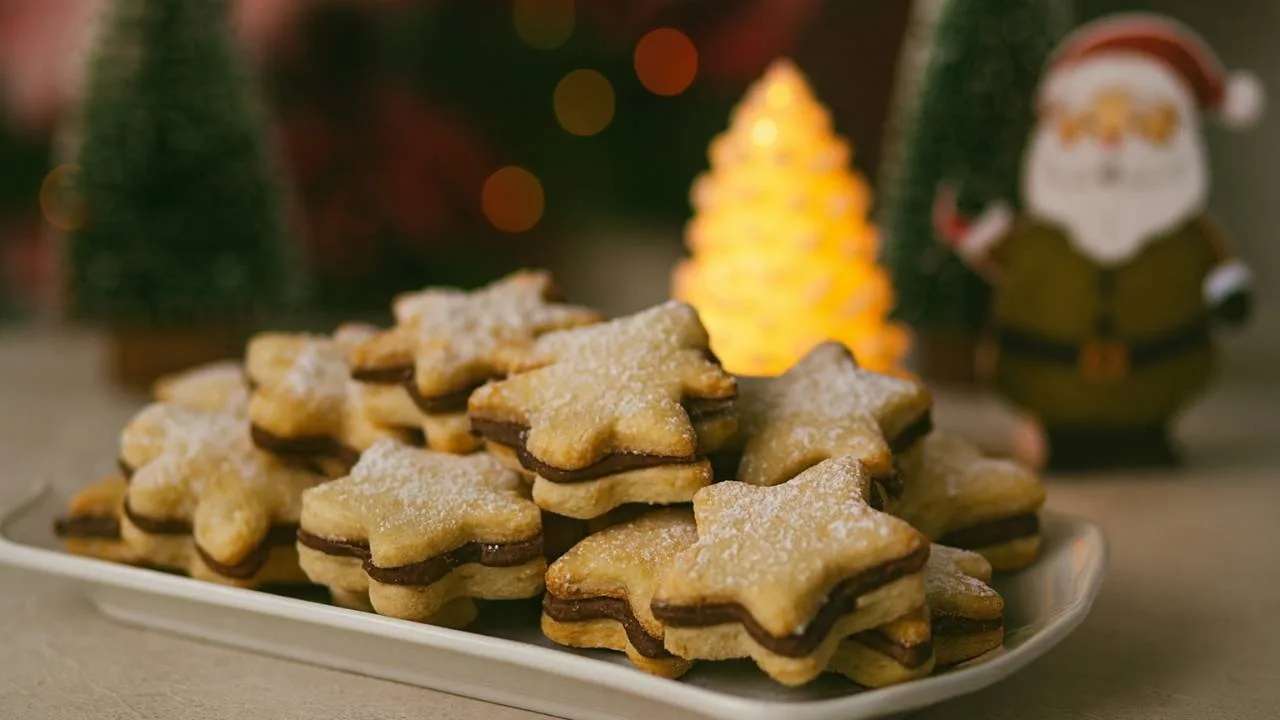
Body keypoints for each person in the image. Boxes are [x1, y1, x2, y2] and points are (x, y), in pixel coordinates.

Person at [934, 13, 1261, 471]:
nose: (1109, 143)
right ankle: (1064, 441)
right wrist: (969, 234)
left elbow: (1219, 265)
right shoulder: (1039, 239)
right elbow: (991, 246)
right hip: (1044, 377)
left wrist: (1229, 290)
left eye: (1140, 125)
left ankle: (1147, 437)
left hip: (1163, 371)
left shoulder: (1184, 236)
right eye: (1085, 125)